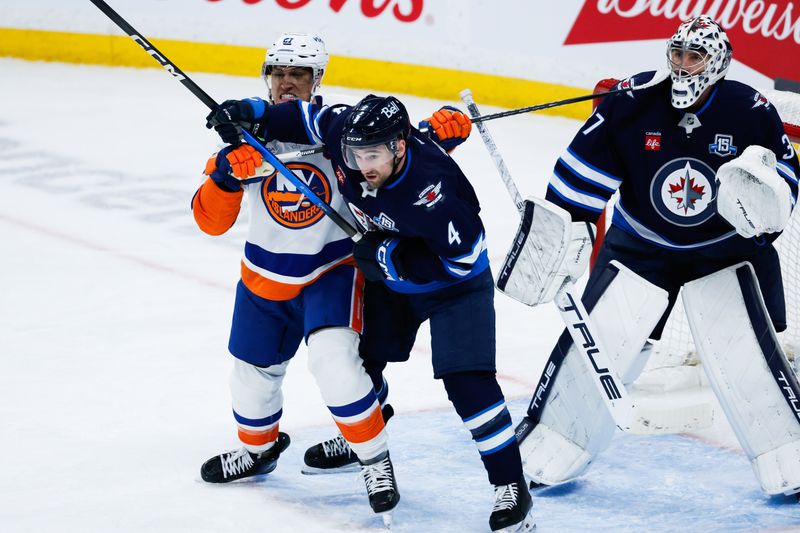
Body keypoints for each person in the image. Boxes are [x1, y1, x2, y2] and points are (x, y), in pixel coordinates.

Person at [205, 94, 536, 532]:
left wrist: (389, 257)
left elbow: (462, 257)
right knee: (360, 363)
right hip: (391, 280)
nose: (363, 166)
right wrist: (252, 112)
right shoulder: (346, 132)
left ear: (400, 147)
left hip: (453, 288)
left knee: (467, 385)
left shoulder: (431, 188)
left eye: (374, 155)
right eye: (356, 155)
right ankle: (361, 435)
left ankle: (510, 486)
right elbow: (304, 116)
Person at [505, 16, 800, 495]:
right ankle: (551, 442)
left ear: (717, 62)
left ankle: (789, 456)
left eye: (695, 57)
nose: (683, 67)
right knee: (603, 340)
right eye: (677, 55)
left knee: (744, 351)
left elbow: (785, 179)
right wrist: (558, 232)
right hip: (641, 243)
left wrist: (766, 200)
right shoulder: (632, 100)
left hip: (723, 250)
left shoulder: (750, 109)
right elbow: (580, 172)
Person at [193, 32, 399, 517]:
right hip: (263, 279)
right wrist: (225, 176)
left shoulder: (338, 131)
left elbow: (394, 164)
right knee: (249, 379)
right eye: (278, 73)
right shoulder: (245, 140)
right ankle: (259, 451)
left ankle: (375, 459)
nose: (286, 84)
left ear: (317, 79)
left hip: (330, 272)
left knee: (335, 365)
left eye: (298, 74)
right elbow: (209, 221)